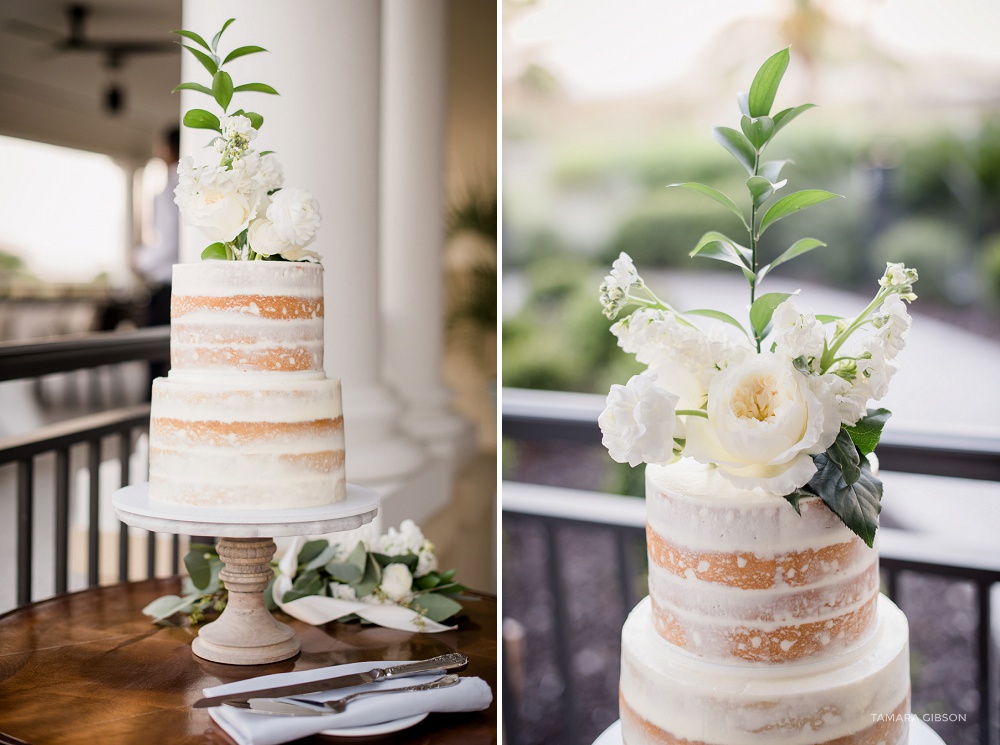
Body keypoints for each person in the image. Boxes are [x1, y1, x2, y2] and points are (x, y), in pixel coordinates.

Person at [134, 126, 180, 386]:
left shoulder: (170, 190)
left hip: (167, 287)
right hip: (180, 284)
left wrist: (139, 259)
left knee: (154, 360)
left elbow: (168, 244)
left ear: (167, 149)